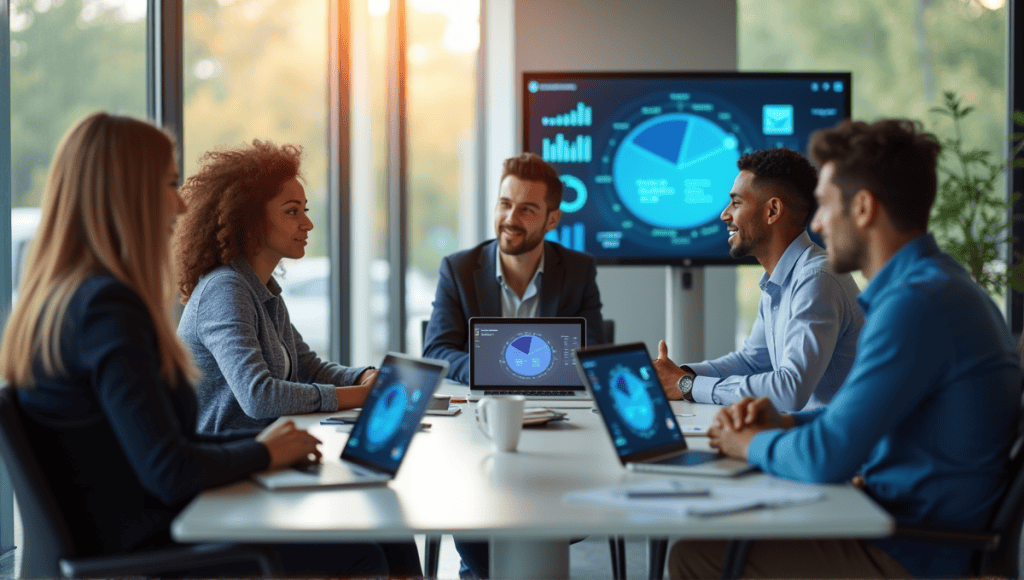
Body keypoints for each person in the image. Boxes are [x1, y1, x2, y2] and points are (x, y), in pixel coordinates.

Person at [0, 112, 386, 575]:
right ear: (126, 194)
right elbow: (169, 468)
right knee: (369, 547)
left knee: (376, 536)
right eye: (168, 184)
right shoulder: (107, 309)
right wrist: (265, 451)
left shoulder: (70, 300)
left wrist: (269, 448)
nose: (181, 207)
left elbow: (161, 447)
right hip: (154, 549)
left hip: (140, 534)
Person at [670, 119, 1023, 579]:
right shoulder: (936, 286)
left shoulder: (915, 306)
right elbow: (856, 419)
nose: (815, 223)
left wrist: (751, 443)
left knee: (694, 556)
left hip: (914, 549)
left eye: (823, 206)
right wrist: (786, 421)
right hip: (895, 519)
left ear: (862, 208)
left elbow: (825, 457)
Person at [174, 140, 378, 435]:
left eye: (304, 210)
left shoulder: (263, 291)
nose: (307, 224)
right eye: (292, 212)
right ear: (250, 219)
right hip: (226, 467)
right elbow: (259, 397)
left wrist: (365, 377)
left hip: (262, 453)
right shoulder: (224, 291)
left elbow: (309, 369)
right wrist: (361, 395)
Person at [653, 148, 863, 412]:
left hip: (832, 445)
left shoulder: (816, 279)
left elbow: (791, 390)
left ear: (773, 210)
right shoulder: (780, 278)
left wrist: (687, 385)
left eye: (736, 203)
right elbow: (752, 362)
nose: (724, 214)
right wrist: (675, 375)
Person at [423, 151, 605, 384]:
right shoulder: (458, 270)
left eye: (527, 209)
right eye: (505, 204)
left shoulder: (579, 270)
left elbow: (593, 353)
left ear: (552, 220)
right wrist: (493, 372)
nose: (510, 218)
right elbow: (436, 351)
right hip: (484, 405)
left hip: (556, 405)